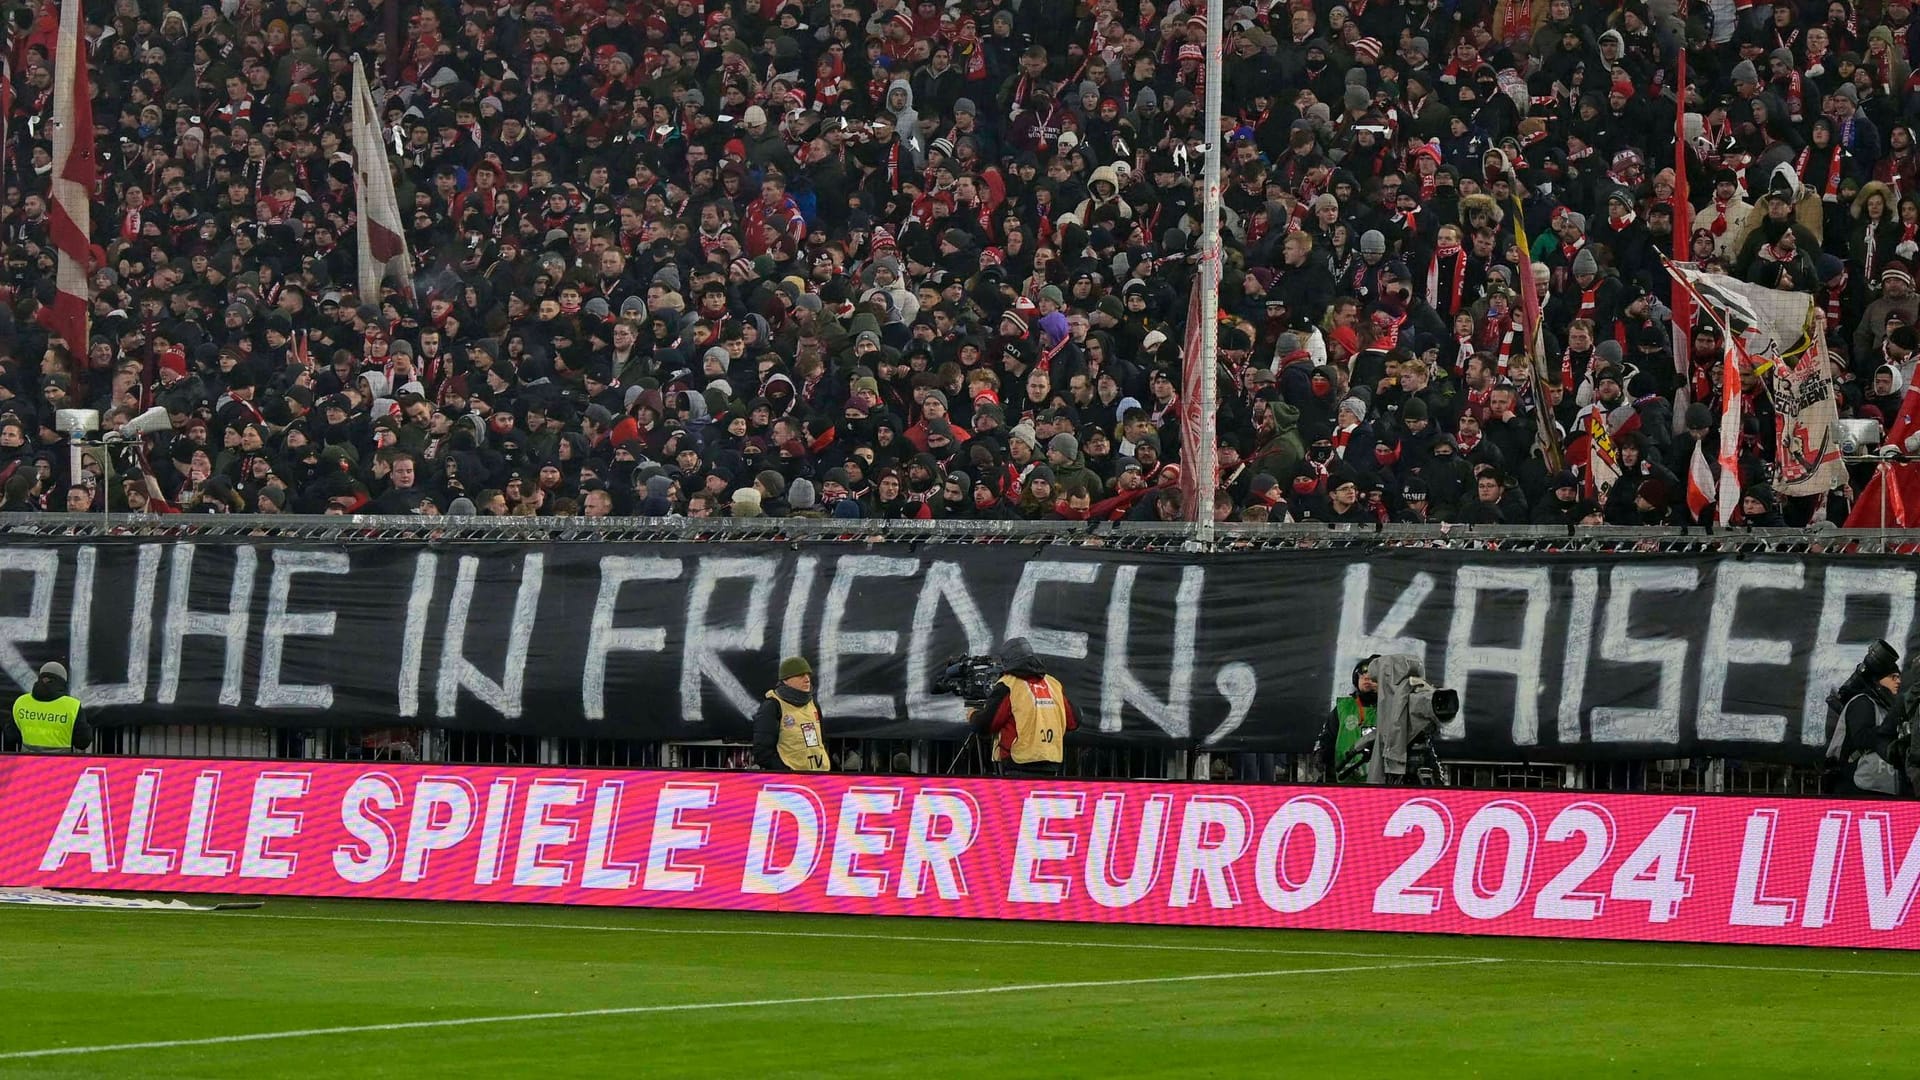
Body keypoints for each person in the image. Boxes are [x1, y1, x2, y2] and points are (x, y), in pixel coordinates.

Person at [970, 638, 1077, 776]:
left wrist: (973, 715)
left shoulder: (1009, 684)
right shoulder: (1053, 684)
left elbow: (986, 725)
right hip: (1051, 761)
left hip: (1019, 762)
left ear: (1006, 663)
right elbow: (1074, 721)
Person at [1826, 640, 1908, 796]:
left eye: (1899, 677)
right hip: (1858, 788)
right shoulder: (1862, 702)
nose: (1898, 681)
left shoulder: (1885, 706)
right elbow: (1862, 738)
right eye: (1893, 677)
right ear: (1878, 681)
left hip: (1884, 790)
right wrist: (1893, 722)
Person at [752, 656, 829, 772]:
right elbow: (763, 752)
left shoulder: (813, 704)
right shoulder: (772, 706)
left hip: (820, 775)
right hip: (791, 780)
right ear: (785, 680)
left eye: (808, 675)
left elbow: (821, 741)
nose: (807, 679)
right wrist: (786, 771)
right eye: (800, 675)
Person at [1320, 656, 1378, 782]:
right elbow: (1326, 741)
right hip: (1347, 783)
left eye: (1374, 678)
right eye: (1363, 676)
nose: (1367, 680)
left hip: (1387, 786)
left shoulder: (1396, 710)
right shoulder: (1343, 708)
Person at [12, 662, 91, 753]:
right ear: (62, 681)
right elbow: (83, 742)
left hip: (28, 763)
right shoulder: (72, 705)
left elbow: (11, 735)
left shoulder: (21, 702)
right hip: (61, 764)